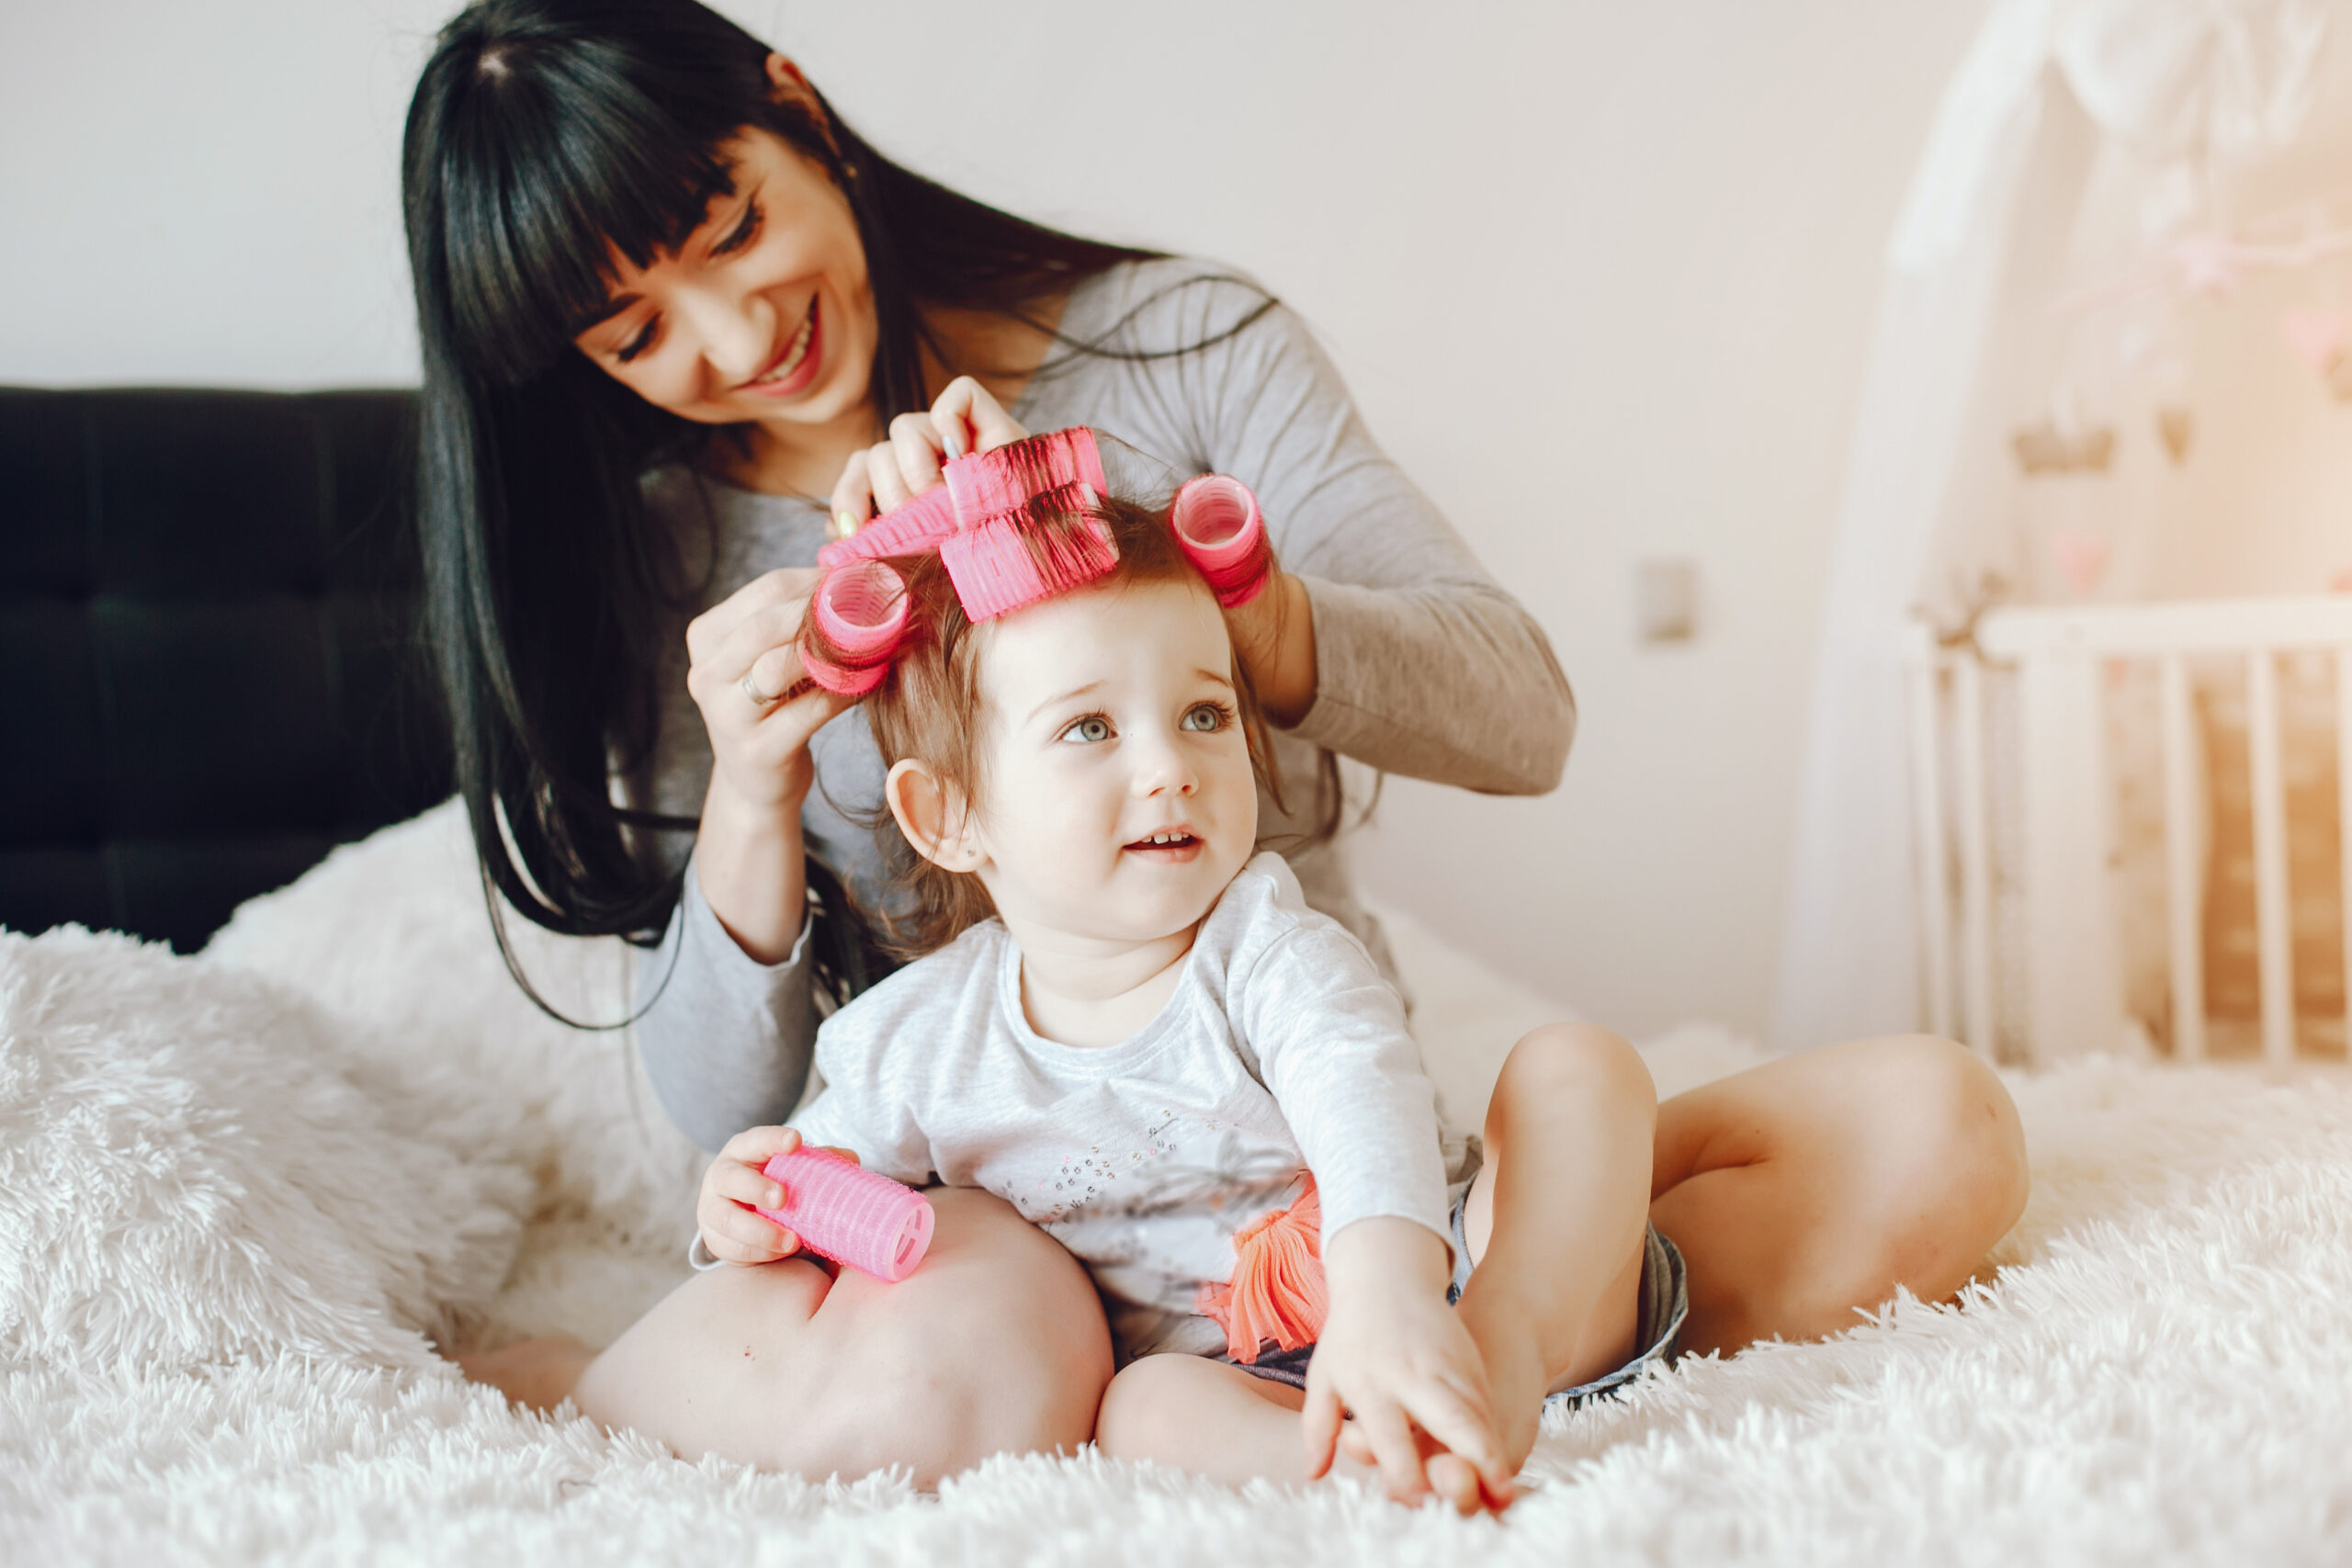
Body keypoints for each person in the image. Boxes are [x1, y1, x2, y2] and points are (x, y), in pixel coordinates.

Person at [405, 0, 2030, 1503]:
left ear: (793, 104)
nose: (732, 331)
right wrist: (755, 779)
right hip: (1016, 1261)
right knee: (966, 1361)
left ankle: (1466, 1362)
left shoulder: (1178, 354)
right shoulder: (668, 574)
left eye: (735, 228)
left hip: (1340, 1185)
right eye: (636, 334)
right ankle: (618, 1386)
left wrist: (1168, 592)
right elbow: (740, 1125)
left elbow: (1523, 714)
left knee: (1930, 1133)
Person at [705, 433, 1665, 1514]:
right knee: (1141, 1413)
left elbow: (1358, 1087)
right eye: (1090, 729)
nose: (1169, 767)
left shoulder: (1263, 946)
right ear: (948, 816)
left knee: (1574, 1070)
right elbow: (814, 1177)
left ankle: (1500, 1364)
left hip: (1444, 1282)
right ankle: (1382, 1475)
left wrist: (1392, 1297)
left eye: (1204, 715)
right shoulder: (917, 1041)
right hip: (1239, 1384)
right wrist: (745, 1206)